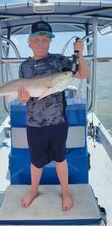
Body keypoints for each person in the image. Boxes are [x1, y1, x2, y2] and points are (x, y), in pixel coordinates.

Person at [18, 21, 89, 211]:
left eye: (45, 39)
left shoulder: (59, 60)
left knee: (60, 158)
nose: (41, 43)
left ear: (50, 42)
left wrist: (79, 54)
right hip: (34, 123)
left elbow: (82, 74)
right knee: (36, 162)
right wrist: (23, 99)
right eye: (37, 39)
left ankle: (65, 192)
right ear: (29, 42)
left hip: (58, 121)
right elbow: (24, 97)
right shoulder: (24, 66)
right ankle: (34, 190)